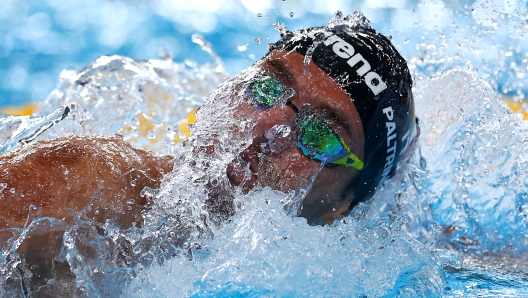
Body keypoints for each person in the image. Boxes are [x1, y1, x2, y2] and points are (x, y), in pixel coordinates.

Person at [0, 14, 418, 295]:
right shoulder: (78, 187)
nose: (268, 129)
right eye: (266, 87)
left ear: (341, 207)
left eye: (319, 134)